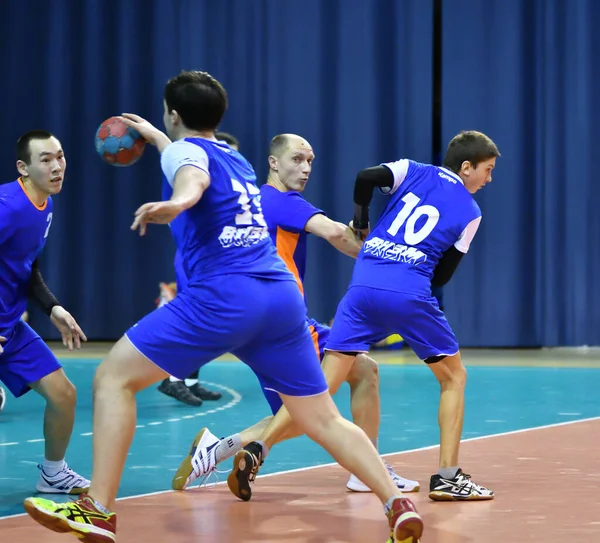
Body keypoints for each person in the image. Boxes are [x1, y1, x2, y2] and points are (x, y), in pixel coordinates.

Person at [23, 71, 423, 543]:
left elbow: (192, 176)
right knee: (322, 418)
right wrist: (153, 136)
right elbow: (193, 156)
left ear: (174, 114)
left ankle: (99, 510)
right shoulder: (235, 157)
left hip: (223, 297)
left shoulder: (183, 155)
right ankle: (396, 504)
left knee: (113, 378)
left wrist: (176, 203)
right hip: (279, 299)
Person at [225, 130, 499, 504]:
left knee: (320, 389)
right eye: (487, 170)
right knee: (454, 377)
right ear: (467, 167)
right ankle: (448, 477)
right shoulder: (470, 212)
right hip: (408, 290)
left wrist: (363, 221)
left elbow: (366, 178)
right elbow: (441, 277)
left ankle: (259, 448)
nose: (489, 179)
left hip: (363, 284)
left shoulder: (411, 170)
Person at [172, 133, 419, 494]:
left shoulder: (252, 203)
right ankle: (370, 470)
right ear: (273, 163)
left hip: (251, 329)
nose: (305, 168)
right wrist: (396, 258)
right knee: (364, 369)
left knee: (300, 416)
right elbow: (337, 233)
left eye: (310, 161)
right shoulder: (280, 200)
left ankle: (214, 450)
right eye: (297, 159)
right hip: (284, 325)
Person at [0, 130, 89, 493]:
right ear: (23, 167)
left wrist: (52, 307)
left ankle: (53, 473)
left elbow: (27, 265)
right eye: (46, 160)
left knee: (64, 395)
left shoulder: (44, 205)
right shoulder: (8, 206)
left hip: (10, 328)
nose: (57, 167)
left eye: (60, 157)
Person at [155, 131, 240, 406]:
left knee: (207, 324)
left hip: (209, 261)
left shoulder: (224, 192)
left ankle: (189, 380)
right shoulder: (195, 182)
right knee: (195, 321)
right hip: (194, 260)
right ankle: (172, 378)